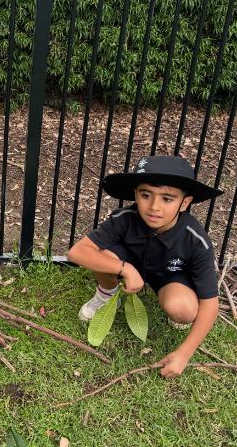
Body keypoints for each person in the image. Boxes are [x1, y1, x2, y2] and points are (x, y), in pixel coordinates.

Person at [67, 155, 223, 378]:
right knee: (100, 255)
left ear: (185, 203)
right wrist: (125, 269)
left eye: (167, 199)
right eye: (146, 195)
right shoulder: (123, 218)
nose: (154, 207)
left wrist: (183, 354)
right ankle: (106, 293)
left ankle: (173, 307)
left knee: (184, 310)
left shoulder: (195, 239)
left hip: (170, 275)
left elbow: (210, 304)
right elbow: (77, 252)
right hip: (128, 263)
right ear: (135, 194)